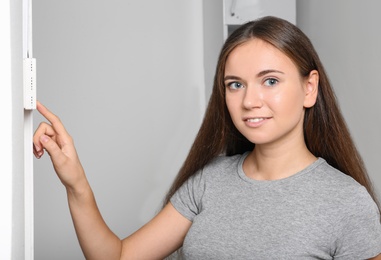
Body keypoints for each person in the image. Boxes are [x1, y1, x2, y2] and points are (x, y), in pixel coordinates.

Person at [33, 16, 381, 259]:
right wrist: (76, 183)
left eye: (270, 81)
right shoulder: (209, 182)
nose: (249, 101)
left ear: (310, 88)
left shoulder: (347, 203)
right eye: (235, 84)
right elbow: (119, 256)